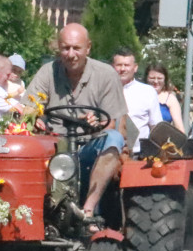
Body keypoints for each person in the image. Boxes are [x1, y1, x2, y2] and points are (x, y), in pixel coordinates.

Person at [26, 23, 126, 223]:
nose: (70, 54)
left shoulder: (106, 75)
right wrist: (35, 118)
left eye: (76, 48)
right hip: (54, 149)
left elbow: (113, 125)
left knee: (113, 139)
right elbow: (26, 109)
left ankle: (88, 211)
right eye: (65, 48)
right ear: (59, 48)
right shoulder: (48, 72)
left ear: (88, 47)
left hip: (89, 149)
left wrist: (95, 124)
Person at [111, 47, 163, 149]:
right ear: (113, 67)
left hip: (139, 153)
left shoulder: (147, 91)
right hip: (110, 152)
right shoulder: (103, 90)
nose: (122, 69)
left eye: (126, 65)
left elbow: (156, 126)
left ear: (135, 68)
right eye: (119, 65)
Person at [145, 63, 185, 133]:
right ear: (146, 78)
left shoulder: (170, 99)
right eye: (152, 78)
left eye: (159, 78)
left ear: (165, 79)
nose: (156, 81)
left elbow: (179, 127)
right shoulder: (139, 95)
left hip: (162, 140)